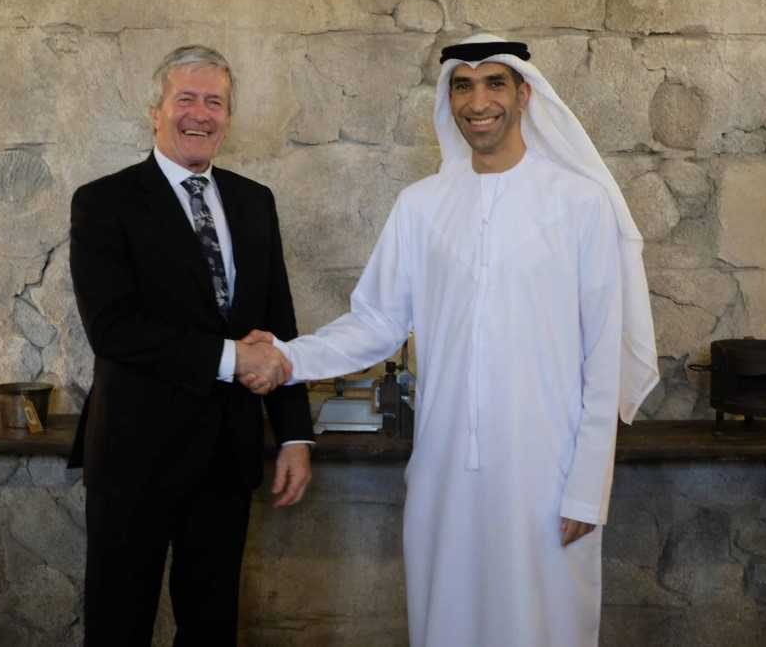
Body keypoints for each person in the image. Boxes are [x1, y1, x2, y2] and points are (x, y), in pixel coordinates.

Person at [243, 33, 660, 646]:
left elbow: (603, 359)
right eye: (462, 85)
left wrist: (586, 488)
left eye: (494, 83)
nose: (477, 100)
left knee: (541, 628)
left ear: (523, 94)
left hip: (545, 476)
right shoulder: (421, 206)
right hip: (443, 476)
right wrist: (287, 356)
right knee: (448, 624)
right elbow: (377, 322)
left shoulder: (580, 204)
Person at [67, 45, 313, 646]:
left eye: (215, 102)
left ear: (228, 117)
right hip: (133, 457)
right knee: (117, 625)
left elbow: (277, 323)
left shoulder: (256, 202)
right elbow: (113, 328)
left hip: (226, 458)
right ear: (156, 111)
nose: (200, 114)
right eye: (186, 99)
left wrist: (294, 434)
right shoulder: (103, 202)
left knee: (211, 628)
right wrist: (234, 359)